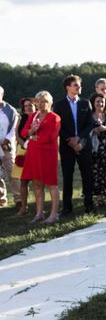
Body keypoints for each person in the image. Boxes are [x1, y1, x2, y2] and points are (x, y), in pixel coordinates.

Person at [52, 75, 95, 215]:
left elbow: (90, 124)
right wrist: (70, 140)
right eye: (76, 85)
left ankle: (89, 205)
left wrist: (79, 139)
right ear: (68, 88)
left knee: (87, 175)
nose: (79, 87)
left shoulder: (85, 103)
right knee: (67, 176)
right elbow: (58, 127)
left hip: (84, 144)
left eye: (79, 85)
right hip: (66, 146)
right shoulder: (58, 105)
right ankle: (67, 207)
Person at [20, 91, 61, 223]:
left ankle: (54, 214)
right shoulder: (33, 116)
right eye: (38, 101)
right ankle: (39, 213)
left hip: (47, 153)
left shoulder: (55, 117)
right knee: (37, 184)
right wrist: (31, 131)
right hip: (33, 153)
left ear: (50, 103)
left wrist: (32, 137)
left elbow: (50, 137)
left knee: (51, 183)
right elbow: (23, 132)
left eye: (44, 101)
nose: (40, 104)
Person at [12, 97, 35, 214]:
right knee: (23, 181)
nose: (28, 107)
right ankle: (24, 207)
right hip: (22, 150)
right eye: (26, 106)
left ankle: (39, 207)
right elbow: (17, 135)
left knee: (37, 181)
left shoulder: (39, 118)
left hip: (36, 151)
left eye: (30, 105)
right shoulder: (21, 119)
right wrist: (26, 146)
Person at [0, 85, 20, 208]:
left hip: (7, 146)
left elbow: (14, 127)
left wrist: (7, 139)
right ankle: (1, 200)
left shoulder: (10, 110)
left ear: (2, 95)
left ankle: (18, 198)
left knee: (12, 172)